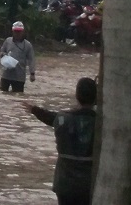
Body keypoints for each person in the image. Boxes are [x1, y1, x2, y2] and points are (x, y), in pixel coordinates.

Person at [24, 77, 98, 205]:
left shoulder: (62, 119)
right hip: (89, 185)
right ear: (96, 97)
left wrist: (34, 110)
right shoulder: (102, 122)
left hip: (64, 184)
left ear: (77, 95)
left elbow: (51, 118)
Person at [0, 21, 36, 93]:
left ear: (23, 32)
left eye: (19, 31)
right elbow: (2, 52)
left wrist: (32, 74)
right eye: (15, 31)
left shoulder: (27, 45)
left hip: (19, 76)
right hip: (6, 74)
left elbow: (31, 60)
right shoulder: (8, 41)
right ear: (12, 31)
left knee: (18, 96)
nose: (17, 33)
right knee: (2, 93)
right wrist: (3, 55)